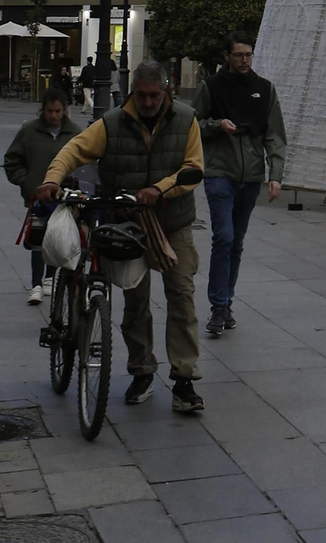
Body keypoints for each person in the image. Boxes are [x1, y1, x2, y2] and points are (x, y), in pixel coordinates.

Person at [36, 58, 206, 413]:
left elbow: (192, 168)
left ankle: (184, 379)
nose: (148, 102)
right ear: (132, 92)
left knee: (182, 297)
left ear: (166, 91)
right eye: (142, 95)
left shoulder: (186, 119)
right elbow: (73, 150)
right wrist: (53, 178)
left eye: (154, 95)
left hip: (172, 221)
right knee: (135, 300)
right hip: (128, 222)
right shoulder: (112, 123)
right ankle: (142, 371)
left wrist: (158, 189)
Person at [193, 34, 286, 337]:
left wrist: (275, 174)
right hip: (220, 171)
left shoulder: (265, 89)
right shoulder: (211, 87)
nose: (244, 60)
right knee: (224, 237)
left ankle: (226, 301)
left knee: (236, 241)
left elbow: (275, 134)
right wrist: (216, 125)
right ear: (227, 56)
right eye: (238, 55)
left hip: (251, 176)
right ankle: (219, 306)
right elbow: (192, 124)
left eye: (248, 55)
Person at [4, 93, 79, 303]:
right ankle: (36, 283)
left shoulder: (75, 132)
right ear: (43, 111)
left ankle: (50, 278)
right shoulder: (29, 131)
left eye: (57, 111)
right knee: (38, 238)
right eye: (49, 111)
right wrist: (27, 183)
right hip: (38, 196)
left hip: (64, 197)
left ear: (65, 110)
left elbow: (85, 163)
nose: (53, 116)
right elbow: (12, 161)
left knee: (56, 237)